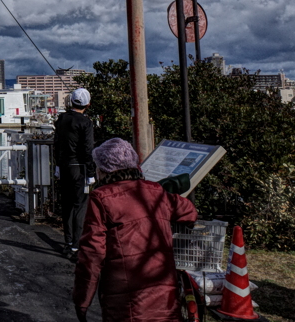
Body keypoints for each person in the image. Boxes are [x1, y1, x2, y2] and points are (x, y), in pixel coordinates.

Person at [73, 138, 198, 322]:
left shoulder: (101, 198)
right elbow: (189, 211)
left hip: (126, 300)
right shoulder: (156, 191)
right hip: (165, 296)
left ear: (103, 170)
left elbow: (92, 255)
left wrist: (82, 300)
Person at [54, 87, 95, 259]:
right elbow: (87, 149)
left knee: (67, 205)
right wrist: (91, 172)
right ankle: (76, 246)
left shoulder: (61, 119)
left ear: (71, 102)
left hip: (64, 166)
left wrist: (57, 165)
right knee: (80, 206)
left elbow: (56, 144)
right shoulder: (85, 122)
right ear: (88, 104)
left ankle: (68, 242)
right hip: (79, 168)